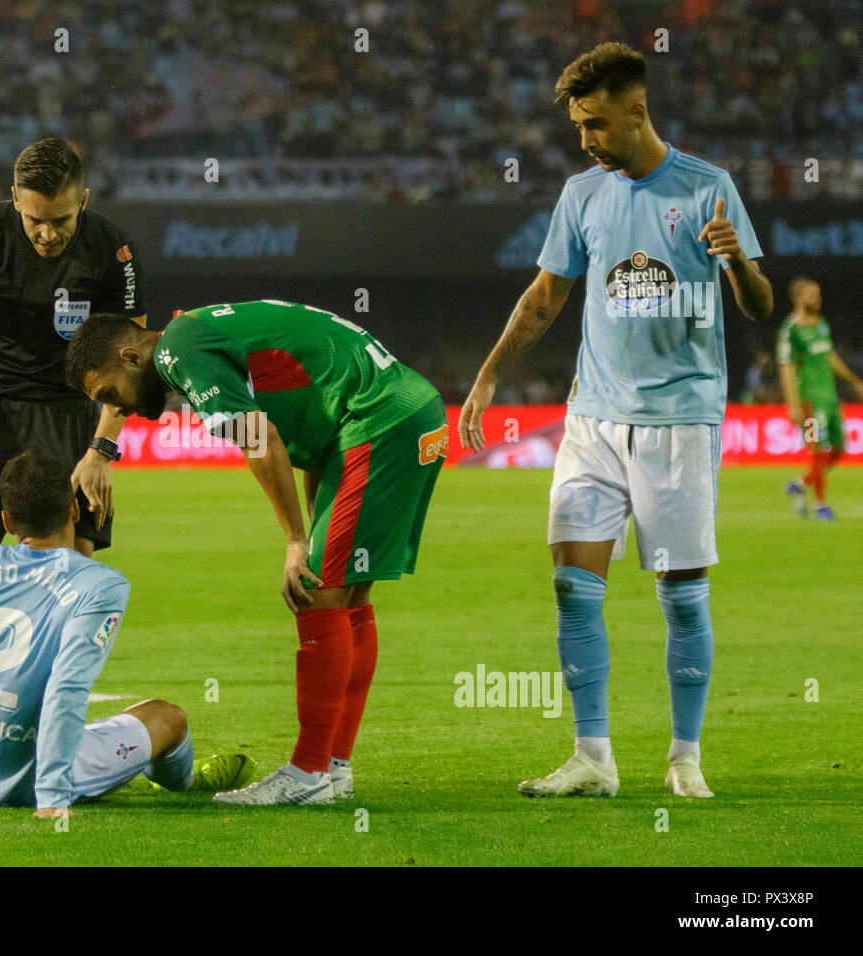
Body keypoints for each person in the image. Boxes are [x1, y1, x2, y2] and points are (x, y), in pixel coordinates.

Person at [458, 42, 773, 799]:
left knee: (682, 596)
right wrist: (488, 374)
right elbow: (545, 296)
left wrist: (738, 263)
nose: (586, 142)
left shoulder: (709, 189)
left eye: (596, 125)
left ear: (637, 110)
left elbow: (758, 307)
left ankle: (685, 756)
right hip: (592, 418)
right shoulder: (582, 194)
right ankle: (593, 755)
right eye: (578, 129)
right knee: (572, 586)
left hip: (680, 421)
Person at [65, 300, 447, 806]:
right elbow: (314, 427)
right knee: (347, 598)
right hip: (400, 412)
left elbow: (257, 436)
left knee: (318, 596)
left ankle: (308, 773)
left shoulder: (180, 350)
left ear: (131, 355)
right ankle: (331, 768)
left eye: (111, 393)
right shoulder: (201, 333)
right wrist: (310, 528)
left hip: (378, 422)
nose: (121, 409)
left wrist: (295, 541)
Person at [0, 452, 252, 815]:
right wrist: (51, 798)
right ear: (75, 512)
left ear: (7, 521)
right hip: (20, 782)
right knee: (168, 717)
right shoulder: (100, 585)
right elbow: (66, 689)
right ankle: (187, 782)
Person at [0, 137, 147, 567]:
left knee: (66, 574)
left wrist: (101, 450)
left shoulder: (114, 250)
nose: (47, 234)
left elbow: (131, 362)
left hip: (69, 417)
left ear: (83, 200)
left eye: (61, 219)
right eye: (33, 220)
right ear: (14, 198)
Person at [778, 277, 863, 520]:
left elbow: (830, 356)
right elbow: (787, 367)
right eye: (812, 295)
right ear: (798, 298)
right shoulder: (790, 329)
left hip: (830, 399)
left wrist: (854, 380)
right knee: (819, 448)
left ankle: (800, 484)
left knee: (838, 449)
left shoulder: (821, 324)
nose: (818, 300)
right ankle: (821, 505)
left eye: (818, 295)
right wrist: (793, 405)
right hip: (809, 402)